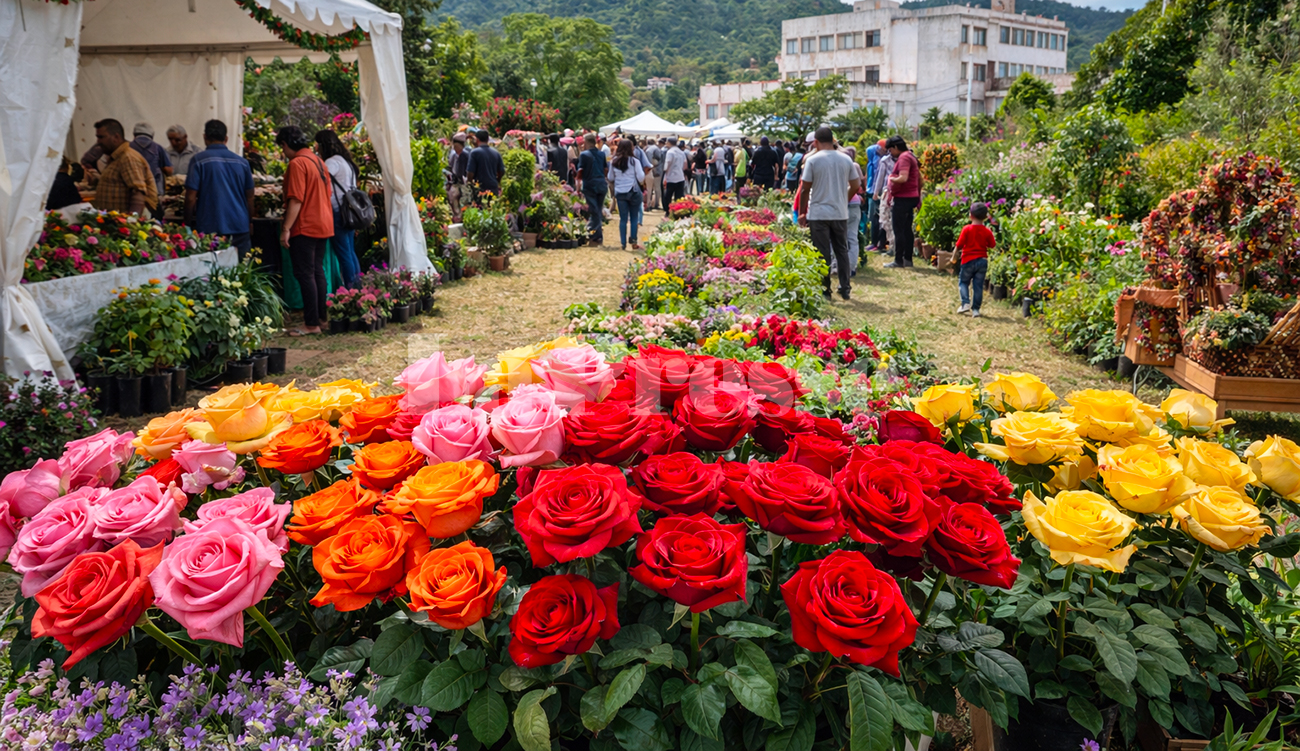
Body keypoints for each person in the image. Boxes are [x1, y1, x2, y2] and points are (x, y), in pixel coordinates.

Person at [277, 125, 334, 337]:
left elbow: (296, 199)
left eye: (282, 147)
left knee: (305, 273)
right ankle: (321, 318)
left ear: (285, 144)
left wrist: (286, 228)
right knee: (318, 271)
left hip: (305, 225)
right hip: (324, 223)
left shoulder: (297, 163)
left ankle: (311, 324)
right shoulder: (318, 161)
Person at [797, 126, 859, 301]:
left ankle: (825, 290)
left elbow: (805, 189)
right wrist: (843, 199)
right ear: (833, 140)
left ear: (815, 142)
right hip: (840, 213)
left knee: (822, 252)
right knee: (842, 250)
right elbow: (855, 185)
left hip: (818, 213)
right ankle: (845, 287)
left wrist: (802, 213)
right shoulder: (846, 159)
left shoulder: (813, 160)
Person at [185, 119, 254, 258]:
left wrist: (186, 223)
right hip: (239, 226)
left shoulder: (199, 160)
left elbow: (191, 197)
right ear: (226, 139)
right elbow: (250, 197)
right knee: (241, 273)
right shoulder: (242, 162)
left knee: (211, 273)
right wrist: (250, 221)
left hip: (210, 227)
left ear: (205, 137)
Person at [315, 129, 362, 289]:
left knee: (344, 254)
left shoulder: (332, 163)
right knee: (350, 252)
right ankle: (358, 286)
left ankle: (352, 290)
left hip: (338, 213)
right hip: (349, 212)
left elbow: (319, 182)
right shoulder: (346, 161)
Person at [90, 118, 157, 215]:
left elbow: (138, 193)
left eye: (101, 137)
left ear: (116, 137)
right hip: (114, 222)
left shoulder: (127, 157)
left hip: (124, 224)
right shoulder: (116, 157)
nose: (98, 141)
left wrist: (131, 222)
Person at [885, 135, 921, 269]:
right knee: (907, 229)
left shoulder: (904, 157)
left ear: (895, 147)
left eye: (890, 150)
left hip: (903, 197)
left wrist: (891, 178)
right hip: (912, 196)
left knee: (898, 229)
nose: (891, 153)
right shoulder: (911, 156)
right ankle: (908, 259)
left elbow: (903, 178)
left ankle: (898, 260)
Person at [955, 202, 995, 318]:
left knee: (963, 282)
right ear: (986, 217)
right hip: (982, 260)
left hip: (967, 260)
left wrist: (953, 256)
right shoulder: (987, 231)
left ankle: (965, 303)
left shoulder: (967, 229)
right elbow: (992, 245)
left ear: (970, 215)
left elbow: (959, 245)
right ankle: (976, 310)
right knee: (978, 286)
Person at [608, 139, 647, 251]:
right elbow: (640, 177)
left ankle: (623, 243)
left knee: (623, 219)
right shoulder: (635, 161)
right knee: (634, 217)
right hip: (633, 190)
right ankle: (633, 241)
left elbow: (610, 177)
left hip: (620, 192)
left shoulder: (614, 161)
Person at [576, 133, 608, 246]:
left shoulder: (584, 155)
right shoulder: (601, 154)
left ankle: (591, 231)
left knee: (594, 210)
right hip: (601, 183)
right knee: (598, 209)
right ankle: (597, 235)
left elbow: (580, 171)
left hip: (590, 184)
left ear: (587, 142)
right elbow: (605, 169)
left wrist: (578, 186)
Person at [130, 122, 172, 199]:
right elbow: (169, 171)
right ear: (152, 135)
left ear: (134, 135)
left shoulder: (127, 147)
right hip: (154, 191)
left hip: (132, 191)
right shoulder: (158, 148)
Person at [466, 129, 505, 203]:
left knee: (480, 210)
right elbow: (502, 171)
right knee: (492, 209)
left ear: (477, 139)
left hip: (480, 187)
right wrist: (497, 180)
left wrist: (470, 183)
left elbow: (470, 172)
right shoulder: (496, 153)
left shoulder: (474, 153)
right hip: (493, 186)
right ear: (488, 139)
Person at [844, 145, 865, 276]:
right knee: (853, 236)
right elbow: (859, 184)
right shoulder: (854, 166)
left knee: (840, 237)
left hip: (843, 202)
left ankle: (839, 266)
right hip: (855, 202)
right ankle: (852, 268)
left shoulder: (837, 167)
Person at [874, 142, 896, 255]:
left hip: (889, 192)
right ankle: (893, 246)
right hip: (892, 192)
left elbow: (880, 177)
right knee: (888, 220)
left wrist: (876, 192)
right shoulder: (886, 160)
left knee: (886, 220)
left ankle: (893, 247)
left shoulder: (885, 161)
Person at [864, 139, 884, 251]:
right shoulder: (873, 155)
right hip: (872, 191)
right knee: (873, 218)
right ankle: (874, 242)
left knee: (880, 218)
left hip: (879, 191)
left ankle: (880, 243)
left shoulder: (882, 161)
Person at [447, 132, 470, 220]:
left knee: (462, 201)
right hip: (457, 182)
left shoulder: (465, 154)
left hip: (463, 183)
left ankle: (461, 218)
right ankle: (458, 217)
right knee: (454, 198)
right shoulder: (456, 154)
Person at [662, 137, 688, 210]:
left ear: (669, 143)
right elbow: (685, 165)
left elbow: (668, 163)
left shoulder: (670, 152)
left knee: (667, 196)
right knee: (679, 196)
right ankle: (678, 210)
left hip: (671, 177)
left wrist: (665, 172)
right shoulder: (681, 152)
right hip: (680, 177)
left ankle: (668, 211)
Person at [645, 138, 664, 211]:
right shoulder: (657, 149)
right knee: (657, 188)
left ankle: (648, 204)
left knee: (649, 188)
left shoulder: (647, 149)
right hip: (658, 170)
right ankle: (656, 204)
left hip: (648, 170)